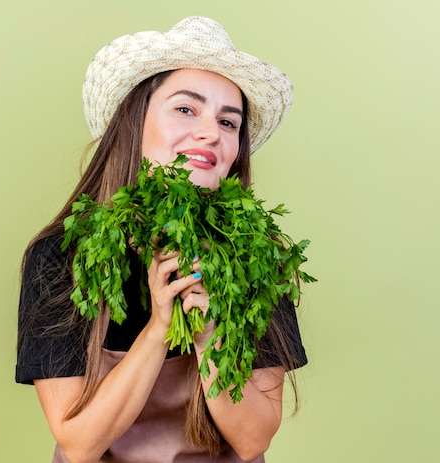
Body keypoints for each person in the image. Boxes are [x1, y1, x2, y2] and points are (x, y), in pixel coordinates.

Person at [16, 16, 307, 463]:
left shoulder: (260, 257)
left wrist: (209, 330)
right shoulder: (60, 256)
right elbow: (78, 444)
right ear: (136, 121)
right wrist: (158, 329)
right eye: (186, 109)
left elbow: (254, 440)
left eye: (229, 123)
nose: (211, 131)